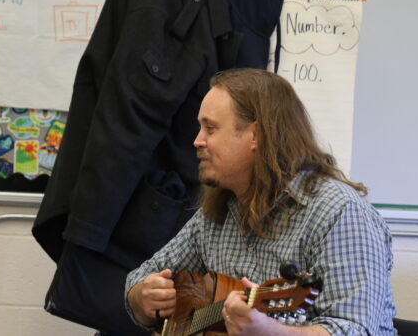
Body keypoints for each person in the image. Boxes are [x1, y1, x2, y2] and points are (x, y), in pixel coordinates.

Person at [124, 68, 396, 335]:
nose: (197, 141)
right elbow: (145, 275)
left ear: (256, 135)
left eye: (211, 128)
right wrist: (142, 298)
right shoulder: (220, 210)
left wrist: (272, 332)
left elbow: (356, 329)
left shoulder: (340, 213)